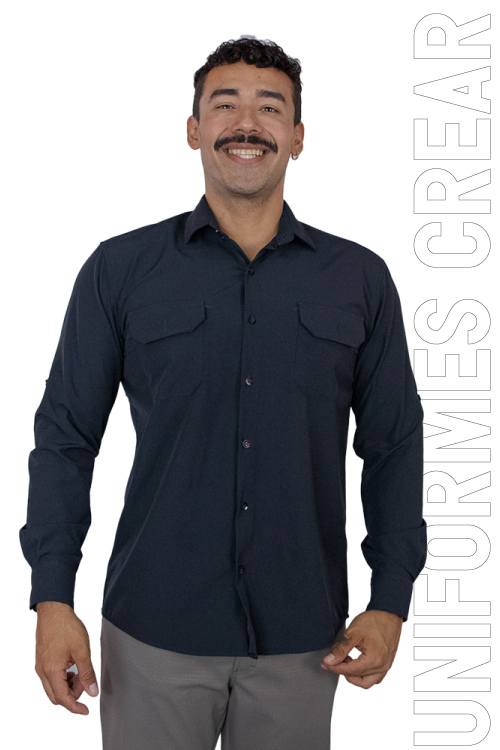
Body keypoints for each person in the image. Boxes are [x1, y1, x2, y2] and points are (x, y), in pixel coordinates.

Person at [20, 36, 428, 749]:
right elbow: (65, 438)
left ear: (298, 136)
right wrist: (53, 597)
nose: (247, 123)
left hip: (304, 636)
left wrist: (390, 598)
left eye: (270, 108)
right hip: (152, 629)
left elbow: (393, 444)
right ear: (193, 129)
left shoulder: (358, 279)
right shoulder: (120, 270)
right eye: (225, 104)